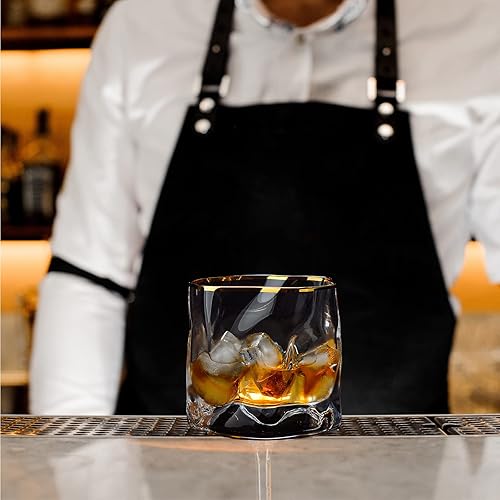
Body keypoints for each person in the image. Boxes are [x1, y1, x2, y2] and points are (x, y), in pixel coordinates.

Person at [29, 0, 500, 416]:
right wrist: (77, 462)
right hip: (166, 459)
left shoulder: (479, 29)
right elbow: (88, 277)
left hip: (402, 466)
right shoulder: (143, 25)